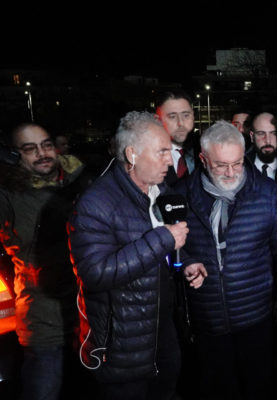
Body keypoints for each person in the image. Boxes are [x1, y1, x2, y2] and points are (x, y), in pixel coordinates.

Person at [68, 111, 194, 400]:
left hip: (163, 332)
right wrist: (163, 239)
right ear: (132, 154)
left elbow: (167, 246)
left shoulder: (160, 190)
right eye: (162, 152)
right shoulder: (95, 204)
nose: (169, 160)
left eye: (170, 151)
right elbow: (95, 273)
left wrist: (186, 261)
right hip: (122, 346)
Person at [175, 120, 277, 399]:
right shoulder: (180, 195)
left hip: (255, 318)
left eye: (237, 163)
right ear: (203, 159)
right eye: (220, 165)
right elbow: (169, 248)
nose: (230, 173)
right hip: (206, 319)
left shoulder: (268, 195)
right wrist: (185, 261)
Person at [0, 123, 93, 400]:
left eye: (46, 145)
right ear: (14, 156)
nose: (42, 154)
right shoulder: (9, 194)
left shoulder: (81, 179)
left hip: (87, 315)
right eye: (30, 149)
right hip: (43, 319)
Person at [155, 89, 199, 186]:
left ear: (193, 116)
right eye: (172, 117)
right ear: (158, 120)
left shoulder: (205, 149)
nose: (180, 123)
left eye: (186, 115)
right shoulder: (147, 157)